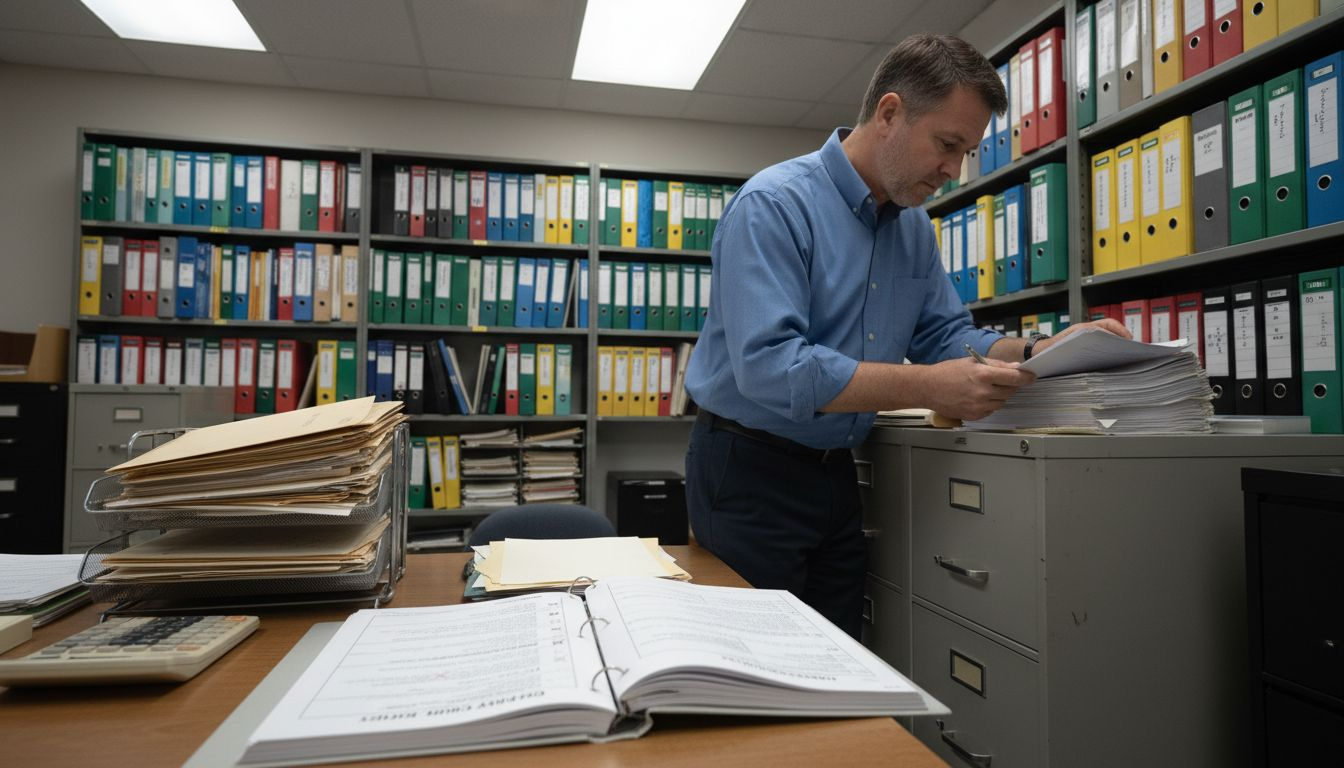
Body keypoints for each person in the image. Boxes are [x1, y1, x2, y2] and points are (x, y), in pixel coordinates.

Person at [683, 33, 1129, 638]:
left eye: (966, 152)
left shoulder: (913, 228)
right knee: (757, 664)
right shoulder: (774, 205)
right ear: (890, 113)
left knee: (840, 660)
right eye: (947, 144)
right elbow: (772, 368)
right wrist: (930, 387)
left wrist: (1041, 351)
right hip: (747, 468)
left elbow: (947, 337)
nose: (953, 170)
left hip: (835, 470)